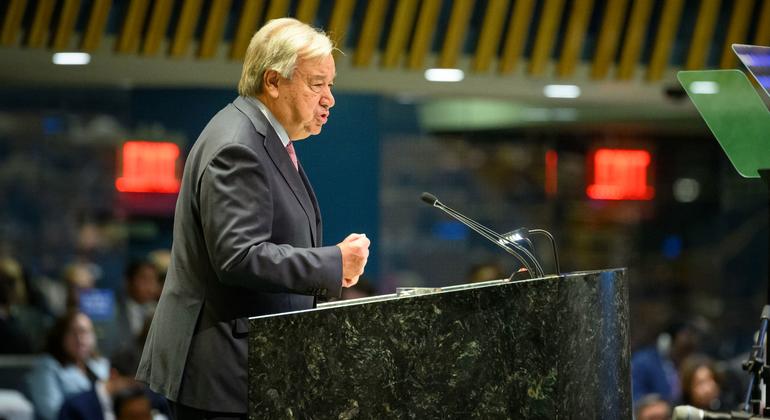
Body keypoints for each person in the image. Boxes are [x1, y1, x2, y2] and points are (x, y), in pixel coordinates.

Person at [136, 18, 370, 419]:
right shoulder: (238, 146)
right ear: (273, 82)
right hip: (224, 374)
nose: (329, 98)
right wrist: (333, 261)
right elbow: (239, 256)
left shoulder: (259, 136)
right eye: (317, 84)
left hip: (247, 367)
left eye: (330, 84)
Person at [25, 311, 110, 420]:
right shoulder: (46, 367)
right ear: (60, 336)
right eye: (73, 333)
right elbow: (52, 412)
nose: (80, 339)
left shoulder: (101, 364)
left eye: (84, 332)